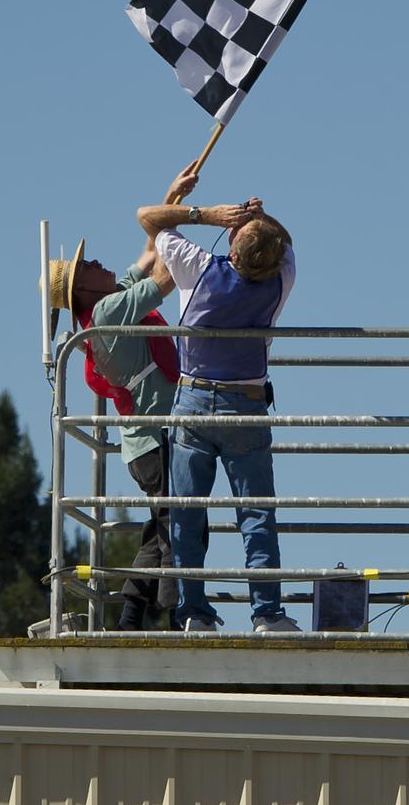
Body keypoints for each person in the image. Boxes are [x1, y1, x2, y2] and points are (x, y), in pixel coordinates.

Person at [46, 163, 199, 631]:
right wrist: (191, 219)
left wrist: (168, 201)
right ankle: (177, 617)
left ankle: (134, 618)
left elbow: (152, 252)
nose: (96, 263)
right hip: (155, 440)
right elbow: (170, 271)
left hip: (146, 443)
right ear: (82, 289)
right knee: (178, 525)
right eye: (86, 266)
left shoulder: (103, 311)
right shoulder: (110, 308)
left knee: (161, 529)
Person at [137, 194, 299, 633]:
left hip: (192, 399)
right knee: (256, 513)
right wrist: (261, 218)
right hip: (245, 404)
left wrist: (205, 215)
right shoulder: (282, 278)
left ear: (231, 248)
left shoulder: (196, 265)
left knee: (187, 514)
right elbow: (286, 242)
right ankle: (267, 612)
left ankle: (193, 613)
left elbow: (147, 217)